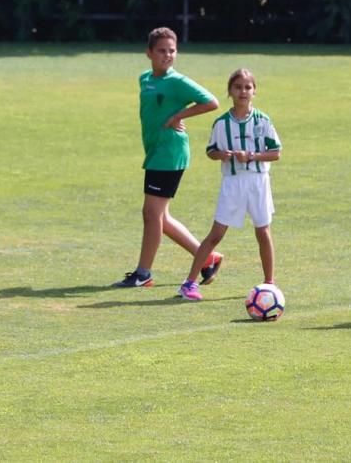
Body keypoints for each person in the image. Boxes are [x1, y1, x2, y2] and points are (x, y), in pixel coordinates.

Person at [113, 27, 224, 288]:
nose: (167, 55)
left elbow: (211, 102)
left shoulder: (177, 81)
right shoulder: (145, 79)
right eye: (161, 50)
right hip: (155, 152)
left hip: (170, 152)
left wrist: (178, 116)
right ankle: (207, 258)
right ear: (149, 53)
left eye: (171, 50)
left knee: (151, 214)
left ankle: (143, 273)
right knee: (159, 217)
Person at [176, 69, 281, 301]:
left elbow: (276, 153)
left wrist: (251, 156)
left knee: (263, 231)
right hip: (232, 183)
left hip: (258, 182)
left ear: (254, 91)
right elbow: (211, 151)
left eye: (247, 87)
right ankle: (189, 283)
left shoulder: (263, 121)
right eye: (238, 87)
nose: (243, 91)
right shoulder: (222, 123)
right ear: (230, 91)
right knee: (216, 234)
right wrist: (222, 154)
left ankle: (270, 283)